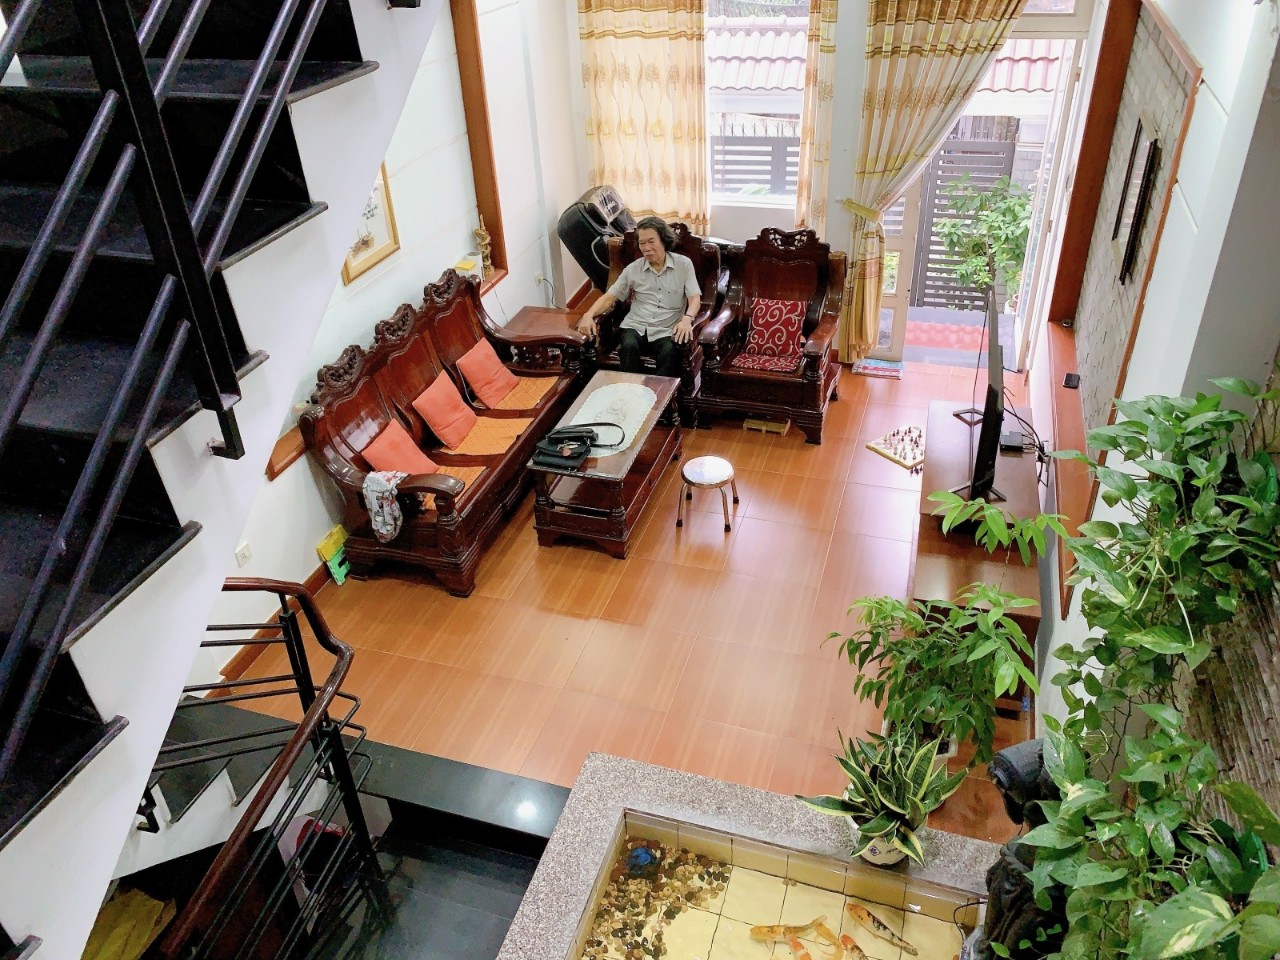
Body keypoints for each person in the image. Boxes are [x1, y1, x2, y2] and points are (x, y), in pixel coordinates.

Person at [576, 216, 701, 379]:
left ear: (663, 240)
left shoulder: (683, 264)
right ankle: (629, 389)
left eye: (651, 241)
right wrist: (588, 315)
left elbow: (694, 298)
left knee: (669, 352)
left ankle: (658, 393)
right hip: (636, 325)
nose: (646, 248)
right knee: (628, 346)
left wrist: (687, 319)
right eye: (642, 243)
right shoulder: (633, 269)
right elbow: (609, 297)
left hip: (667, 328)